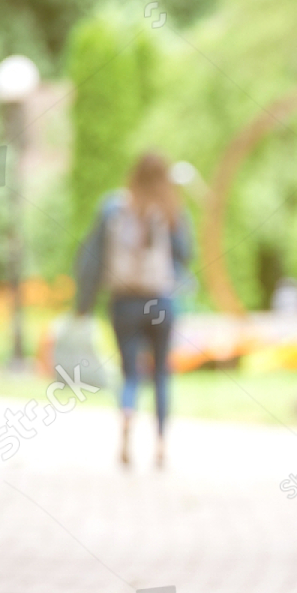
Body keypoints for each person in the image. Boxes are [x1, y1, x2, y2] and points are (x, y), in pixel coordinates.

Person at [74, 152, 192, 468]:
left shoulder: (113, 206)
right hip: (160, 302)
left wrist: (83, 304)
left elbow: (91, 258)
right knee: (161, 374)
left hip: (124, 301)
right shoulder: (171, 210)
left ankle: (127, 423)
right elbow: (184, 255)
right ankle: (161, 444)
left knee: (129, 373)